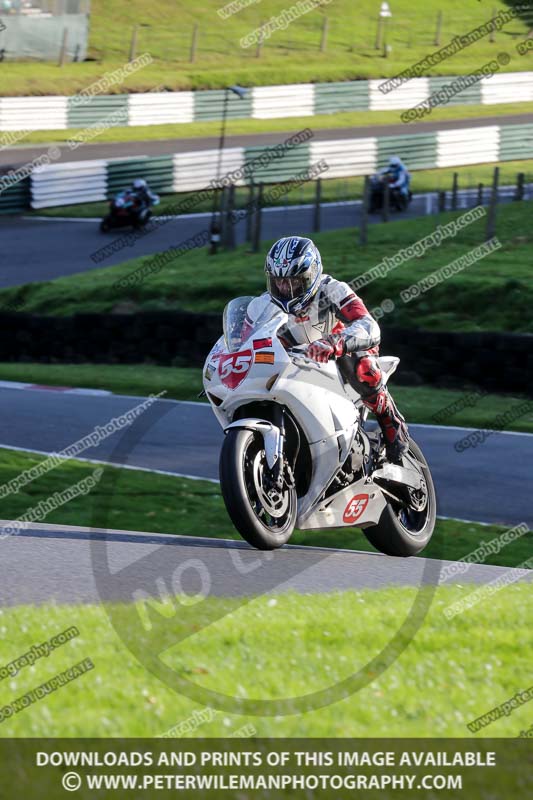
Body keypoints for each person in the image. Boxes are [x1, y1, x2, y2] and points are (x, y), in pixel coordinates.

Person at [250, 235, 409, 463]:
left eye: (295, 281)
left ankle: (390, 419)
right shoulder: (262, 306)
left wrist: (335, 342)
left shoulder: (333, 290)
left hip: (339, 358)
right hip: (294, 365)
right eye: (279, 281)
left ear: (312, 275)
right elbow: (243, 340)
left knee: (364, 367)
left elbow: (369, 325)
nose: (286, 288)